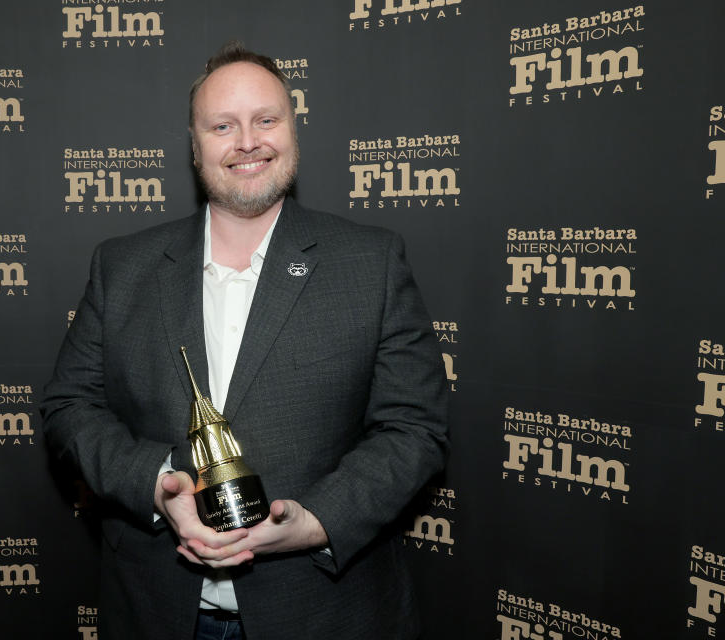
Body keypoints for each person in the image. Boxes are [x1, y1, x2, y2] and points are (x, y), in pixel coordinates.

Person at [41, 41, 448, 640]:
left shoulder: (371, 261)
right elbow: (68, 408)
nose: (248, 141)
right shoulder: (122, 266)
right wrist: (158, 486)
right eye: (223, 125)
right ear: (195, 143)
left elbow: (415, 429)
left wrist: (314, 522)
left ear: (292, 128)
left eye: (266, 119)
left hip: (324, 613)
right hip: (156, 612)